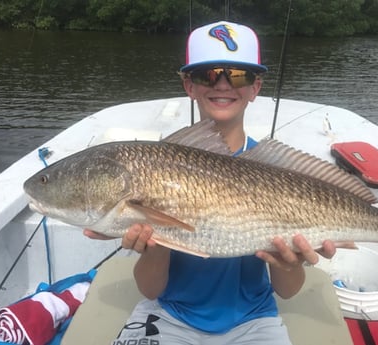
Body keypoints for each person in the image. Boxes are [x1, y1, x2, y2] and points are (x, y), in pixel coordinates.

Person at [84, 21, 336, 345]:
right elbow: (150, 290)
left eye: (238, 75)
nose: (222, 84)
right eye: (207, 74)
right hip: (169, 315)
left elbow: (287, 291)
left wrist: (291, 263)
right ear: (189, 86)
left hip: (256, 320)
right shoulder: (154, 167)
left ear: (255, 87)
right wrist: (154, 243)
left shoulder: (274, 171)